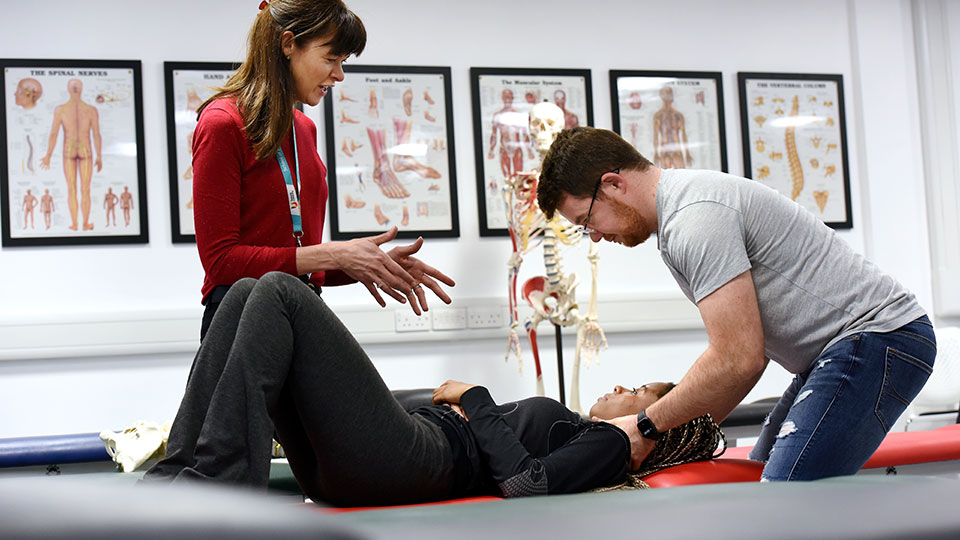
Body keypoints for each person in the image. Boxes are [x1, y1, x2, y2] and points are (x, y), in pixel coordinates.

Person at [535, 126, 937, 482]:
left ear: (613, 184)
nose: (596, 237)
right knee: (754, 478)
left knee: (779, 504)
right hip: (836, 353)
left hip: (880, 339)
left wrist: (644, 428)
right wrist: (671, 440)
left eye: (588, 221)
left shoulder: (695, 219)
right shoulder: (680, 219)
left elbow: (737, 359)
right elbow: (740, 364)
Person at [142, 272, 722, 505]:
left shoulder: (612, 445)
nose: (622, 387)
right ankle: (180, 471)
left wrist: (475, 399)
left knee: (279, 292)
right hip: (386, 454)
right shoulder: (579, 430)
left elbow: (527, 482)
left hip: (410, 462)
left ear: (659, 422)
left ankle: (212, 488)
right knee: (243, 291)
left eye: (640, 392)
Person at [191, 0, 452, 340]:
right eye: (331, 59)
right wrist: (335, 253)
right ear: (288, 44)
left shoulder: (302, 127)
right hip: (242, 319)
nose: (339, 75)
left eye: (343, 62)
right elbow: (221, 262)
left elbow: (299, 262)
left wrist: (368, 263)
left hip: (299, 308)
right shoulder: (223, 123)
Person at [40, 78, 102, 232]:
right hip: (86, 151)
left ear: (69, 89)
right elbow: (96, 135)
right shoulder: (91, 110)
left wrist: (48, 155)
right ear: (81, 89)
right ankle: (84, 224)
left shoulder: (61, 110)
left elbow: (54, 133)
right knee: (85, 189)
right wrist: (99, 155)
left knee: (72, 189)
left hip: (69, 151)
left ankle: (75, 224)